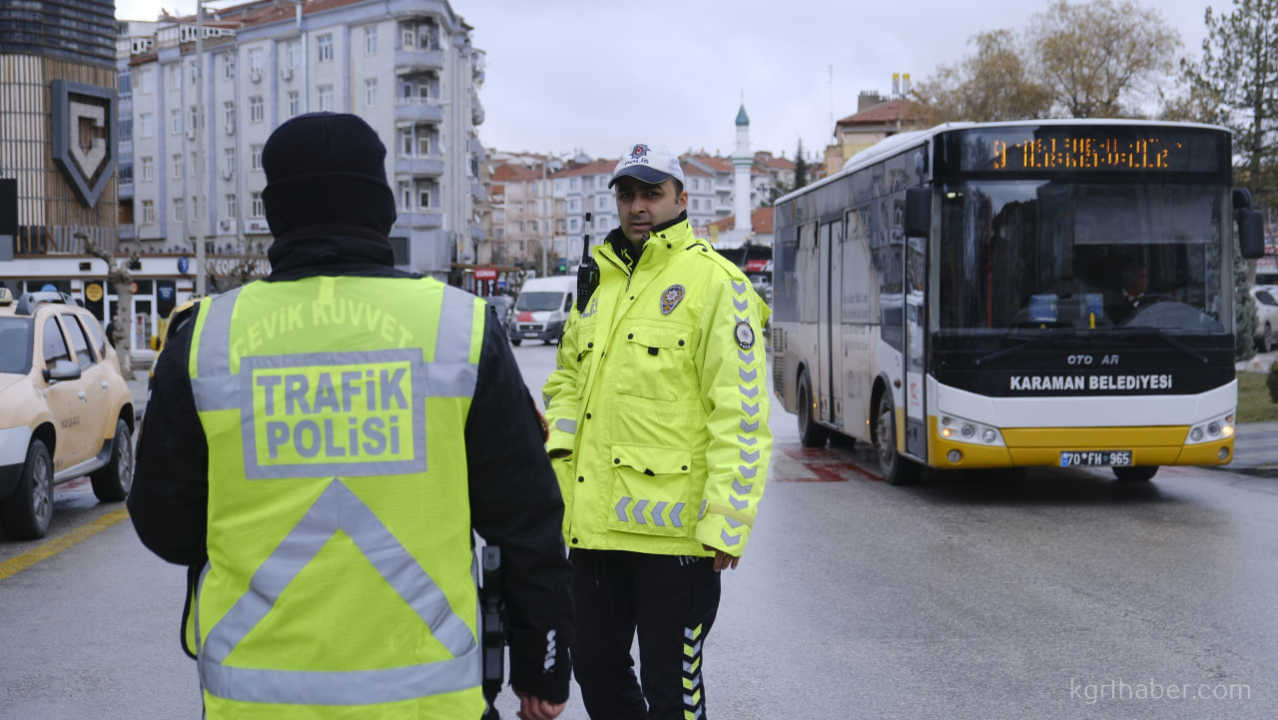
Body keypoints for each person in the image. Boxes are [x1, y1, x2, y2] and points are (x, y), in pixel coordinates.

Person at [128, 112, 572, 720]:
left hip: (258, 702)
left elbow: (163, 523)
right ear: (382, 208)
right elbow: (527, 518)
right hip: (430, 700)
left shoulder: (206, 338)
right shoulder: (459, 328)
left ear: (273, 212)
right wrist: (541, 667)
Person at [542, 144, 772, 719]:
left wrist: (728, 518)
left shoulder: (717, 284)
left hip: (676, 543)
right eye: (627, 194)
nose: (638, 206)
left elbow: (741, 413)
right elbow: (567, 381)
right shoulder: (599, 285)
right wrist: (556, 473)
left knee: (672, 691)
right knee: (594, 670)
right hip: (594, 535)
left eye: (652, 193)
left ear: (681, 198)